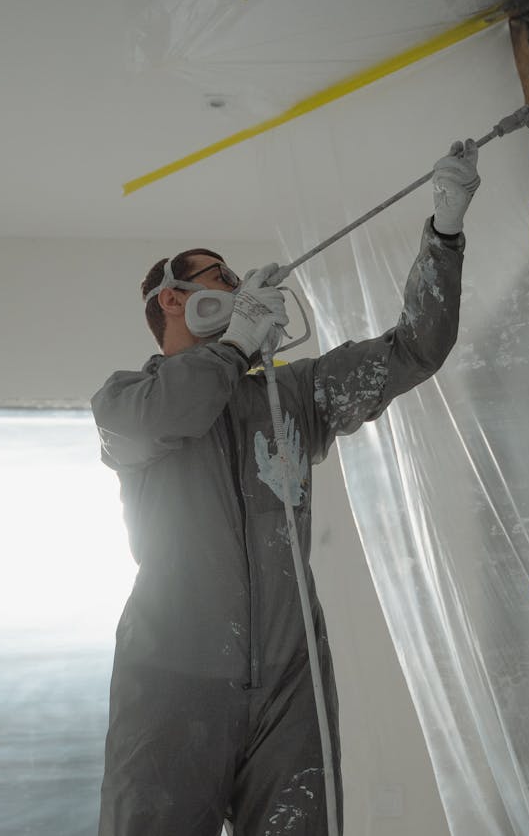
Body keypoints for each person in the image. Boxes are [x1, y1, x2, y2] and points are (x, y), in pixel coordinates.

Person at [92, 140, 480, 836]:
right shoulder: (128, 403)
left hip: (288, 679)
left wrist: (444, 233)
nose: (242, 289)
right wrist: (233, 346)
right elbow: (177, 414)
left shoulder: (291, 395)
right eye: (224, 279)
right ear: (175, 298)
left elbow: (414, 350)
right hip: (173, 678)